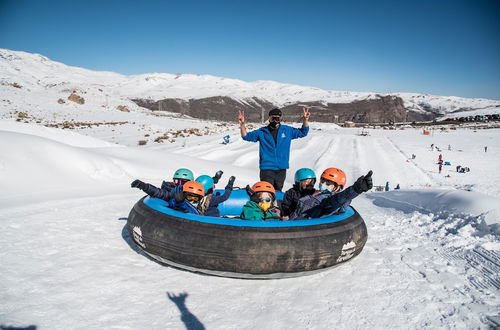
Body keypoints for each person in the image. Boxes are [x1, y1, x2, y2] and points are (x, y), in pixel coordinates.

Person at [238, 107, 310, 191]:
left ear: (281, 119)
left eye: (277, 118)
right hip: (267, 168)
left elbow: (303, 132)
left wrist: (305, 120)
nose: (275, 121)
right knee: (267, 191)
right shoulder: (262, 132)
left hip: (281, 168)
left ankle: (277, 204)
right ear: (269, 119)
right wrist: (242, 124)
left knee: (278, 190)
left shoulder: (287, 130)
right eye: (273, 118)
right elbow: (246, 136)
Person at [291, 169, 373, 219]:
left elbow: (338, 199)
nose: (323, 184)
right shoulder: (315, 193)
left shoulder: (328, 199)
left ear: (337, 188)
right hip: (292, 220)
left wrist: (356, 189)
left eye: (328, 183)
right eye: (322, 181)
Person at [131, 168, 195, 201]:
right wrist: (144, 186)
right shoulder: (172, 191)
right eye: (177, 181)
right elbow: (160, 193)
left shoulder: (194, 191)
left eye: (183, 182)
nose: (180, 185)